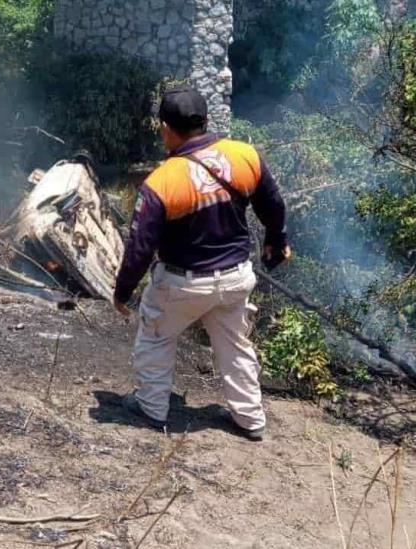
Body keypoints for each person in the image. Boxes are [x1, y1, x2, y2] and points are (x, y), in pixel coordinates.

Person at [114, 86, 291, 441]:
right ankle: (250, 419)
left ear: (165, 127)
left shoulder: (162, 182)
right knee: (234, 344)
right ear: (206, 121)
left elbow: (140, 247)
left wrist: (123, 292)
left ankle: (151, 406)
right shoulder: (245, 155)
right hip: (236, 278)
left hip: (183, 284)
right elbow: (273, 205)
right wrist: (277, 240)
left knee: (155, 336)